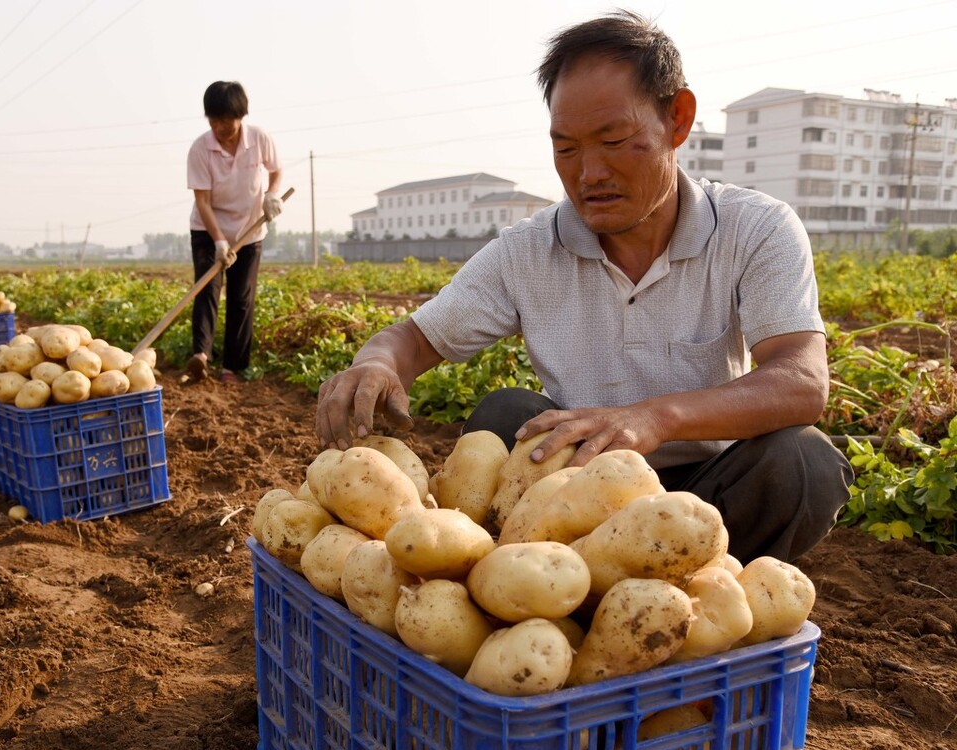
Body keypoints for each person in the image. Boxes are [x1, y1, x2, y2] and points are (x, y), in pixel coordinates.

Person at [313, 10, 853, 564]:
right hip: (570, 493)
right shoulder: (529, 250)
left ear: (678, 119)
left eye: (613, 139)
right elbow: (413, 339)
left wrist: (654, 418)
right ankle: (542, 579)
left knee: (804, 464)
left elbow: (801, 381)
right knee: (506, 415)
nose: (589, 173)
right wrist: (377, 363)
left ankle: (697, 577)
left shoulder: (755, 227)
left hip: (710, 494)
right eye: (566, 148)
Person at [185, 80, 282, 384]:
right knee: (206, 289)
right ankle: (201, 356)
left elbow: (276, 170)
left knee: (241, 298)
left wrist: (271, 195)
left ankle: (232, 368)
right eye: (213, 121)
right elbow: (202, 201)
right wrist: (219, 242)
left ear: (240, 116)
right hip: (208, 230)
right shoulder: (200, 149)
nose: (219, 127)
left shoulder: (259, 138)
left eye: (225, 121)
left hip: (249, 232)